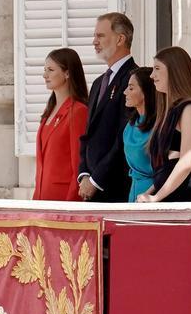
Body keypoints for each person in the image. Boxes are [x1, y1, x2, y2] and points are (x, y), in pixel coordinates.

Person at [77, 13, 138, 202]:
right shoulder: (97, 83)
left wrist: (96, 180)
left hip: (116, 188)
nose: (94, 41)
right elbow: (88, 134)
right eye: (95, 36)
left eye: (100, 36)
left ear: (120, 39)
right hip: (91, 188)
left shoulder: (135, 79)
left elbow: (124, 137)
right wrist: (84, 173)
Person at [137, 46, 191, 203]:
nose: (152, 75)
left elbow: (186, 162)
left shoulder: (188, 108)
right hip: (168, 197)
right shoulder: (169, 112)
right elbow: (164, 170)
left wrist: (155, 198)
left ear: (174, 71)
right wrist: (148, 194)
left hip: (181, 198)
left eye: (157, 68)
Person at [34, 48, 90, 201]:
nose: (45, 75)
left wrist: (70, 205)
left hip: (63, 199)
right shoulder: (49, 111)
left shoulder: (78, 111)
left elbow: (78, 163)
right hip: (42, 198)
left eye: (51, 70)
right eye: (45, 70)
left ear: (67, 73)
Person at [121, 67, 156, 201]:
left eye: (131, 88)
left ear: (146, 91)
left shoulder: (160, 126)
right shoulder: (130, 125)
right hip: (134, 192)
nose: (125, 92)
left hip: (153, 195)